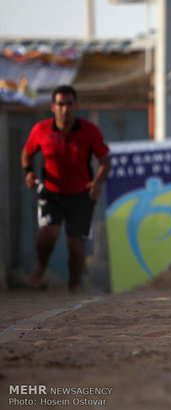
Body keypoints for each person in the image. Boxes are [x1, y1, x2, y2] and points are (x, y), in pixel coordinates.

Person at [22, 85, 111, 293]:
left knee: (76, 246)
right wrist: (28, 172)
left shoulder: (89, 131)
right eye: (60, 104)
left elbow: (106, 163)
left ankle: (73, 287)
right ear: (53, 106)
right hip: (51, 192)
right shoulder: (40, 130)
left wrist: (97, 182)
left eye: (69, 104)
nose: (65, 109)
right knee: (48, 235)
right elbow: (27, 153)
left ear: (76, 106)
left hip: (81, 194)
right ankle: (42, 265)